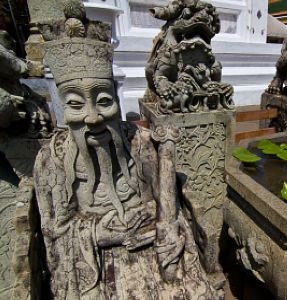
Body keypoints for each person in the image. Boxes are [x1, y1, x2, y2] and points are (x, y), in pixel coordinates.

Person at [34, 1, 220, 298]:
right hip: (95, 259)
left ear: (117, 101)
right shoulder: (52, 159)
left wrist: (163, 224)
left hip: (149, 247)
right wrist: (100, 232)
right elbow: (55, 232)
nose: (93, 117)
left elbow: (166, 204)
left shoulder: (139, 141)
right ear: (63, 107)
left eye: (104, 100)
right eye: (75, 104)